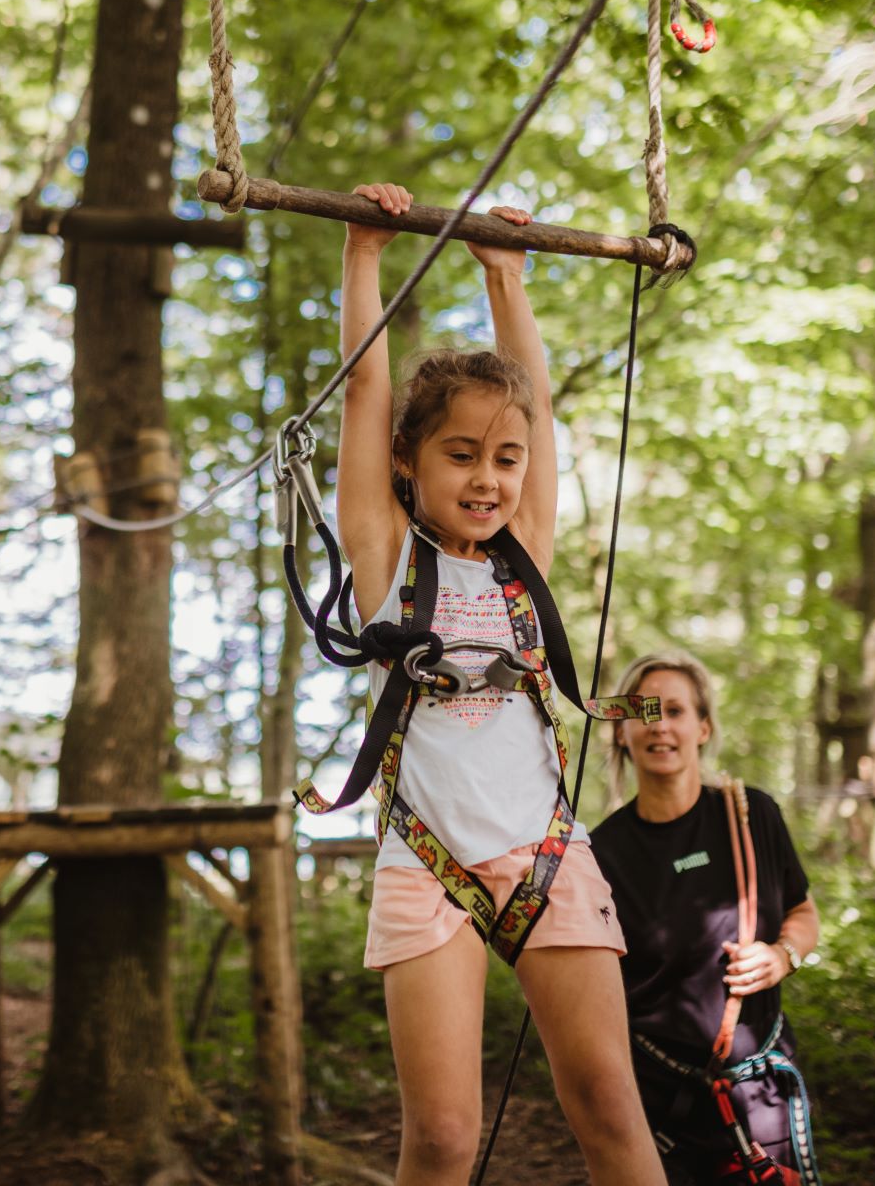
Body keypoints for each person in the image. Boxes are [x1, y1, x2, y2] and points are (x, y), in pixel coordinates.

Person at [309, 182, 666, 1186]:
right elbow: (366, 401)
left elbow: (538, 419)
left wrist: (507, 278)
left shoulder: (524, 564)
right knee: (445, 1135)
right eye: (460, 454)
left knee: (605, 1097)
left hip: (545, 853)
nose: (489, 476)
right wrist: (365, 254)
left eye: (502, 460)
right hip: (427, 861)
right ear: (408, 465)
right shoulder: (390, 561)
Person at [591, 652, 824, 1185]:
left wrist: (782, 955)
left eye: (674, 710)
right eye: (643, 711)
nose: (659, 725)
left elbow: (802, 910)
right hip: (654, 1097)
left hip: (759, 1091)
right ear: (622, 733)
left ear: (703, 727)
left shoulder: (751, 814)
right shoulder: (601, 852)